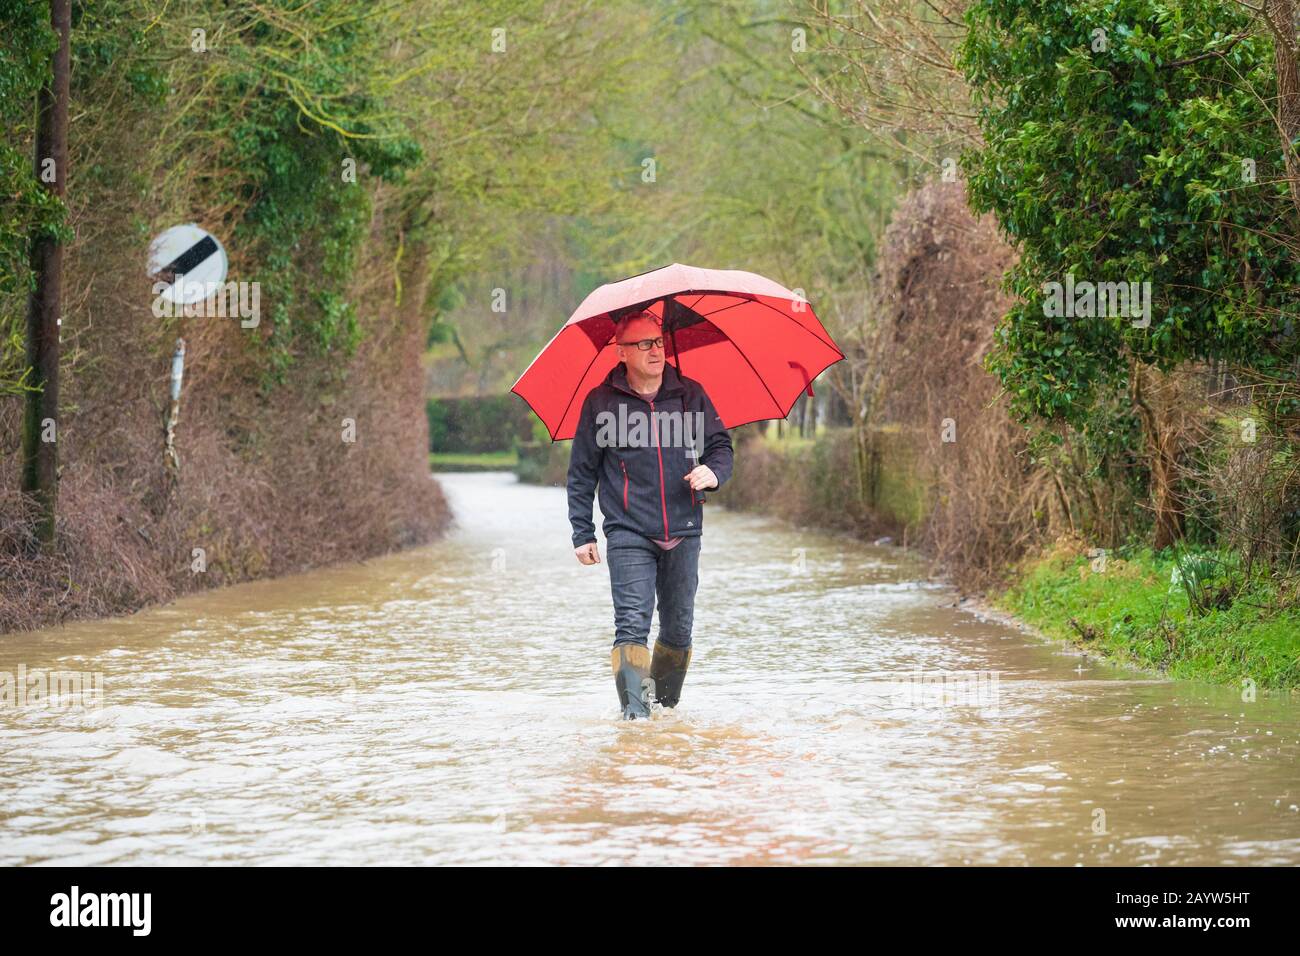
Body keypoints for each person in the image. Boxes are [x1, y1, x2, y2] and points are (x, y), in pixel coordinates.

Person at [567, 310, 734, 719]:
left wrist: (713, 473)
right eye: (643, 344)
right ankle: (637, 720)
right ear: (621, 351)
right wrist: (582, 532)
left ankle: (662, 711)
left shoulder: (690, 395)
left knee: (678, 630)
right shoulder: (601, 403)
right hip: (628, 530)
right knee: (631, 624)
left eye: (658, 341)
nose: (655, 350)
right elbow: (581, 473)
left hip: (685, 527)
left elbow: (721, 448)